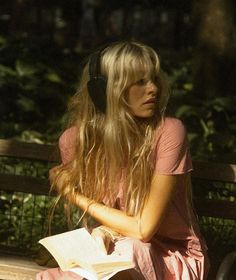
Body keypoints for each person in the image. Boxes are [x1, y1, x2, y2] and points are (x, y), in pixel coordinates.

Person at [36, 41, 209, 280]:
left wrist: (72, 193)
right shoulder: (75, 142)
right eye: (139, 81)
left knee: (129, 252)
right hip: (116, 252)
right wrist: (104, 232)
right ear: (103, 91)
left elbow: (143, 230)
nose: (153, 89)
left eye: (154, 79)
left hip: (173, 259)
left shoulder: (168, 132)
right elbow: (110, 222)